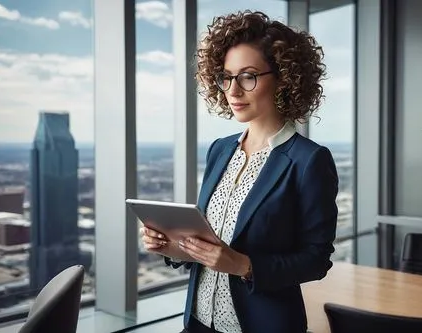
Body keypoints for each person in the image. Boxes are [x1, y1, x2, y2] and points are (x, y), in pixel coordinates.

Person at [140, 10, 339, 333]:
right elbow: (211, 237)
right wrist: (173, 245)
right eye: (226, 76)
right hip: (198, 323)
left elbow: (317, 259)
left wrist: (244, 266)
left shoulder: (309, 161)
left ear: (284, 78)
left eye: (248, 76)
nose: (232, 90)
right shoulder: (220, 149)